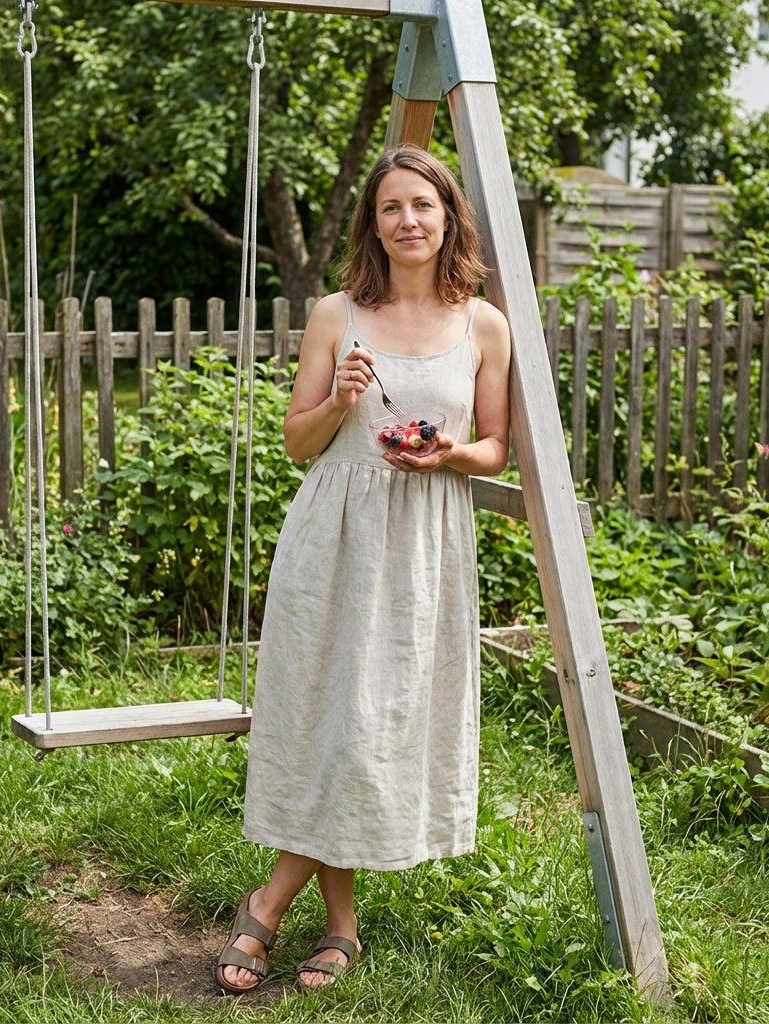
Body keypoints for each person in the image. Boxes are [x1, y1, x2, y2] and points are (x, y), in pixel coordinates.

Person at [215, 143, 511, 994]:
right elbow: (297, 444)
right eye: (391, 208)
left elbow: (495, 448)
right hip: (334, 535)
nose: (408, 220)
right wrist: (340, 402)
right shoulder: (335, 314)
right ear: (372, 225)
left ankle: (271, 905)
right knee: (332, 720)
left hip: (423, 546)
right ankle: (331, 923)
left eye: (423, 205)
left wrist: (452, 452)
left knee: (371, 726)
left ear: (449, 215)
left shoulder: (481, 324)